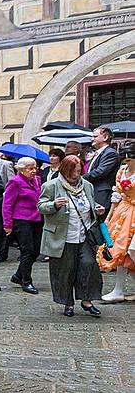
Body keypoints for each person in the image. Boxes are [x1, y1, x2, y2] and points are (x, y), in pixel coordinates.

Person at [38, 155, 104, 317]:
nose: (76, 174)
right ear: (65, 170)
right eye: (73, 171)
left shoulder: (87, 185)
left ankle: (86, 301)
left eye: (79, 171)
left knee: (89, 266)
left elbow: (88, 203)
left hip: (84, 235)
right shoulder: (51, 185)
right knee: (65, 271)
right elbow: (40, 206)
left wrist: (97, 208)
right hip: (62, 237)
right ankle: (68, 303)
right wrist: (54, 204)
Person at [97, 141, 135, 302]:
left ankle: (119, 290)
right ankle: (118, 290)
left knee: (131, 252)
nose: (127, 160)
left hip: (132, 214)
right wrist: (110, 215)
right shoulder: (121, 171)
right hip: (123, 213)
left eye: (130, 157)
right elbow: (117, 194)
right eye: (125, 157)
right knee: (120, 251)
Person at [2, 157, 42, 294]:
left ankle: (18, 275)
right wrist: (7, 224)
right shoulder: (15, 182)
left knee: (36, 250)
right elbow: (7, 204)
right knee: (28, 250)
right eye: (30, 168)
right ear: (21, 169)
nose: (34, 171)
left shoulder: (36, 180)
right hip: (21, 219)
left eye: (35, 168)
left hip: (36, 219)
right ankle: (26, 281)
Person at [84, 126, 120, 219]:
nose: (92, 139)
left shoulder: (110, 153)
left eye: (95, 136)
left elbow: (100, 172)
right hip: (92, 192)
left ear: (105, 137)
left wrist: (80, 178)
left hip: (102, 195)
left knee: (100, 224)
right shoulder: (98, 153)